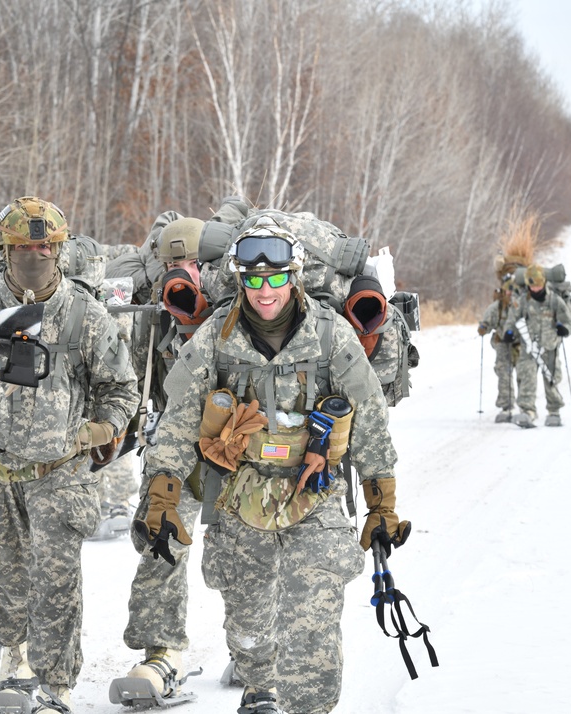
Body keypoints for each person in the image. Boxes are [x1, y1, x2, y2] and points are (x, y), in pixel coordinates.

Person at [134, 217, 407, 714]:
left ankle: (310, 706)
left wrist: (380, 504)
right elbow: (177, 421)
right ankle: (260, 684)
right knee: (251, 628)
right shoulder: (214, 338)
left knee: (312, 624)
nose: (265, 290)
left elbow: (369, 420)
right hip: (241, 496)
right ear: (240, 278)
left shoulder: (330, 337)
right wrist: (162, 498)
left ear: (295, 276)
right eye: (254, 279)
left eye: (276, 278)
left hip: (314, 493)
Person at [0, 196, 139, 713]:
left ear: (59, 250)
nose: (33, 256)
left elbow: (122, 388)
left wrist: (101, 429)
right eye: (21, 247)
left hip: (60, 472)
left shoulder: (86, 314)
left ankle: (54, 683)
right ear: (4, 249)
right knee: (4, 575)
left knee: (55, 582)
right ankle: (13, 664)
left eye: (44, 247)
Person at [116, 216, 213, 702]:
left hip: (244, 450)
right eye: (174, 263)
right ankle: (162, 651)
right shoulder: (152, 317)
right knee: (160, 537)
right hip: (174, 451)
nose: (184, 273)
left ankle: (259, 646)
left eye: (193, 263)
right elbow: (127, 380)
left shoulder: (237, 310)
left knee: (254, 553)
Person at [502, 264, 571, 428]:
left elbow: (567, 321)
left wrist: (564, 329)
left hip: (549, 346)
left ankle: (554, 411)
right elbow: (512, 319)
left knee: (551, 379)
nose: (535, 289)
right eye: (532, 285)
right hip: (528, 346)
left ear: (544, 283)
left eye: (538, 285)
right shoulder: (522, 302)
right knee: (526, 377)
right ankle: (528, 411)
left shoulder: (555, 301)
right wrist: (509, 332)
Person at [478, 275, 520, 422]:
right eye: (507, 291)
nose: (510, 294)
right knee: (503, 370)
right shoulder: (497, 307)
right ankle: (507, 406)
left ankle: (526, 407)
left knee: (524, 373)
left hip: (522, 342)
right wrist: (483, 327)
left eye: (513, 291)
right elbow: (487, 322)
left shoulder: (523, 304)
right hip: (503, 343)